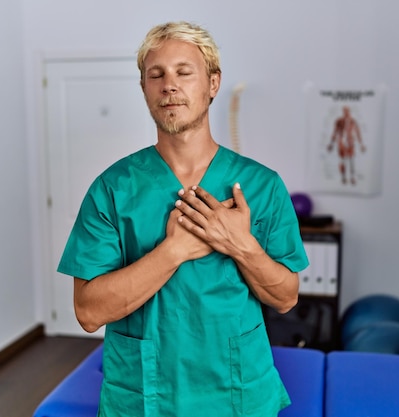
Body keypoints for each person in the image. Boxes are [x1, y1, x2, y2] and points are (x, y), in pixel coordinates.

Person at [57, 21, 308, 417]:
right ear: (144, 89)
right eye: (155, 75)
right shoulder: (113, 189)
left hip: (236, 392)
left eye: (183, 73)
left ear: (212, 84)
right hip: (145, 395)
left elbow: (286, 297)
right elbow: (89, 312)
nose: (169, 85)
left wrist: (240, 245)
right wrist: (174, 250)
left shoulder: (262, 186)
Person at [327, 105, 366, 185]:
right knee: (343, 160)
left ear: (349, 111)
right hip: (341, 142)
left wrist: (361, 144)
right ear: (343, 112)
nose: (346, 113)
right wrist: (331, 144)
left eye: (347, 111)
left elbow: (358, 132)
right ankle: (343, 177)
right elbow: (335, 132)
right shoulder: (339, 121)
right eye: (345, 111)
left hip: (350, 142)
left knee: (351, 160)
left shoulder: (353, 121)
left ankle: (352, 177)